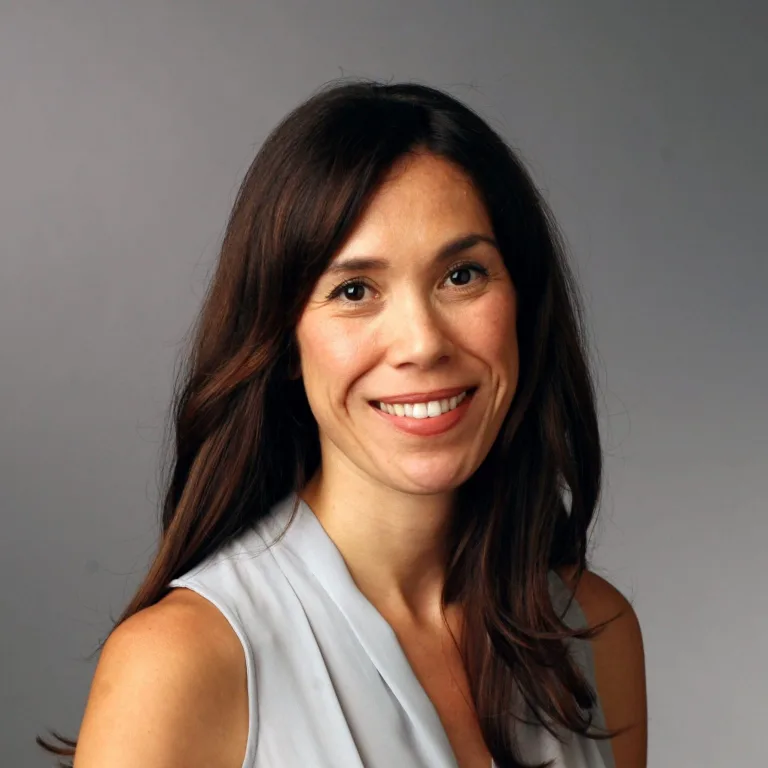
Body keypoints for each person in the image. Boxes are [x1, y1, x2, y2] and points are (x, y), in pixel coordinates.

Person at [38, 80, 647, 768]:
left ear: (523, 304)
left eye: (462, 275)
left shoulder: (594, 631)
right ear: (283, 341)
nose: (422, 342)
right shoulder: (180, 664)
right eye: (354, 290)